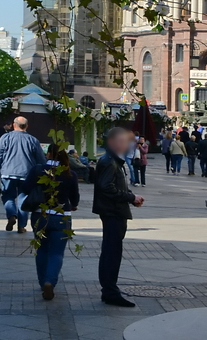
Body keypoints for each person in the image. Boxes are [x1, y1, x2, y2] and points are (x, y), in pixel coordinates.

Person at [92, 126, 144, 307]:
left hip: (114, 211)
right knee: (111, 253)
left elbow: (114, 186)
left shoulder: (113, 161)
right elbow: (107, 187)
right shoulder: (109, 162)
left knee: (112, 251)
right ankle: (110, 291)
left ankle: (110, 289)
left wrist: (131, 197)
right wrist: (130, 197)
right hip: (112, 212)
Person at [23, 144, 80, 301]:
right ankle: (50, 281)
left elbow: (26, 188)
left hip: (39, 215)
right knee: (56, 253)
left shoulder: (37, 170)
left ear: (48, 154)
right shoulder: (70, 174)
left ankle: (43, 283)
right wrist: (73, 205)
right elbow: (75, 198)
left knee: (41, 250)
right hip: (62, 217)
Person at [0, 116, 47, 233]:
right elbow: (41, 159)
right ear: (26, 126)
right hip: (27, 175)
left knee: (8, 197)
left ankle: (11, 215)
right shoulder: (33, 140)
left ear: (14, 125)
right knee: (24, 199)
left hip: (8, 173)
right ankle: (21, 226)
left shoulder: (5, 137)